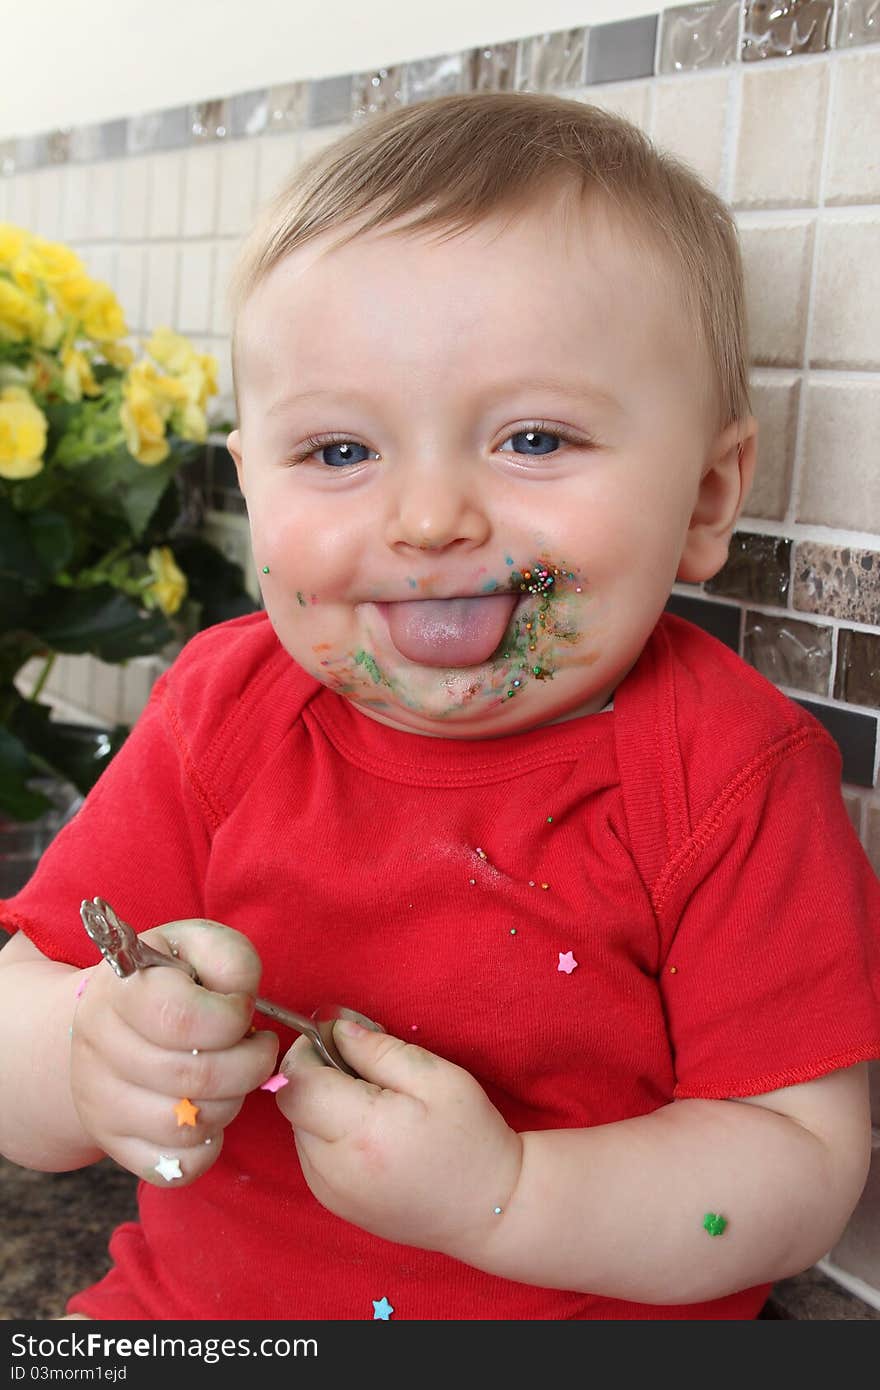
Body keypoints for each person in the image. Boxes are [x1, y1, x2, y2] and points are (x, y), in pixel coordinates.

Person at [1, 90, 878, 1323]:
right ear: (253, 486)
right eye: (341, 454)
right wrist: (94, 1051)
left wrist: (504, 1195)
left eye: (530, 437)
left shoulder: (729, 772)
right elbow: (16, 1040)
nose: (427, 520)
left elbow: (797, 1170)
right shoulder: (224, 710)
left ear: (702, 497)